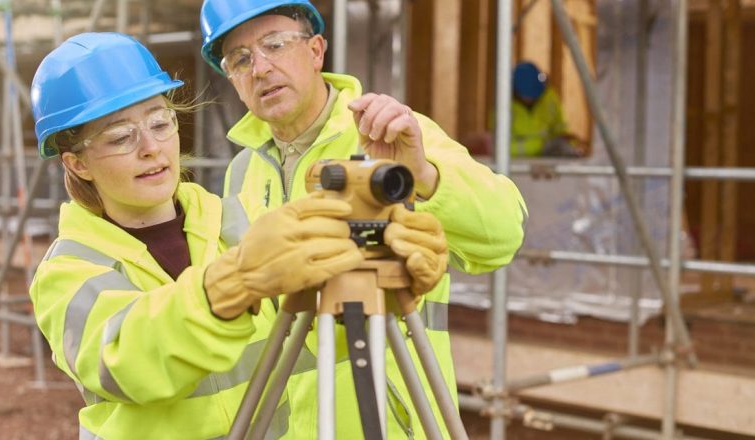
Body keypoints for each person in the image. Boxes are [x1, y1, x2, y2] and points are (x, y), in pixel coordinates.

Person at [28, 32, 445, 439]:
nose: (152, 148)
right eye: (121, 137)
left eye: (160, 123)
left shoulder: (235, 221)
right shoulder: (69, 270)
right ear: (77, 163)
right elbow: (128, 361)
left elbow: (309, 338)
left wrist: (381, 285)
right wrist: (230, 284)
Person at [198, 1, 529, 437]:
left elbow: (504, 233)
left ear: (316, 51)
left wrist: (421, 174)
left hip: (390, 423)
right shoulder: (242, 172)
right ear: (233, 81)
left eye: (274, 45)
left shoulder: (390, 134)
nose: (260, 68)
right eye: (240, 59)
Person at [481, 61, 582, 158]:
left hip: (549, 162)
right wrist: (541, 145)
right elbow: (500, 147)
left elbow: (560, 129)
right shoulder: (503, 106)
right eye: (529, 95)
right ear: (515, 92)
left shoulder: (549, 97)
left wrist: (569, 144)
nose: (535, 99)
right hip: (516, 166)